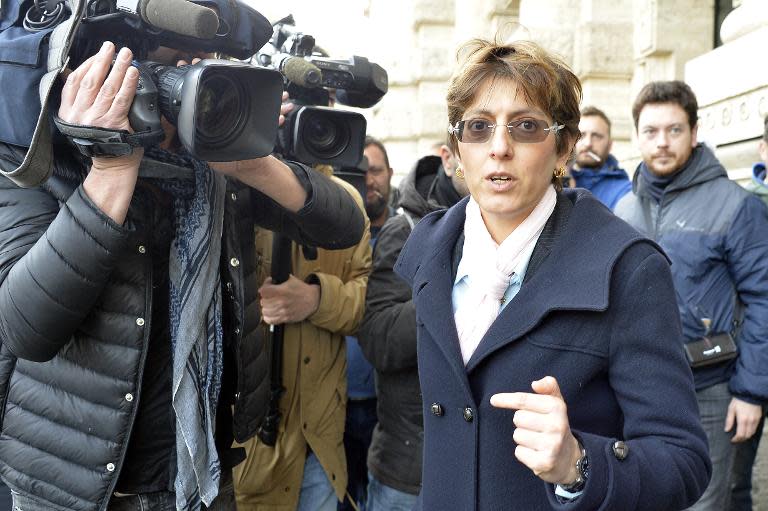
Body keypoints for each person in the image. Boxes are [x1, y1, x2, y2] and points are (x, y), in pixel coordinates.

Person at [0, 24, 364, 511]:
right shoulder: (37, 158)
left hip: (204, 476)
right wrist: (110, 170)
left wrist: (254, 162)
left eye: (208, 63)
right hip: (76, 489)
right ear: (121, 75)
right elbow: (27, 329)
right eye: (178, 67)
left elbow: (344, 226)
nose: (199, 83)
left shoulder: (217, 169)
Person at [394, 38, 711, 510]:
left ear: (564, 147)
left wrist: (578, 464)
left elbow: (683, 462)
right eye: (478, 127)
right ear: (457, 149)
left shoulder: (627, 266)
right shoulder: (430, 247)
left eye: (525, 127)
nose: (499, 148)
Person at [615, 80, 768, 511]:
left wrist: (751, 393)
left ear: (695, 132)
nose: (662, 142)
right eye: (651, 131)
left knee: (705, 504)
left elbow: (764, 300)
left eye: (675, 130)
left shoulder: (737, 206)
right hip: (638, 389)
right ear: (638, 136)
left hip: (713, 390)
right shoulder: (623, 211)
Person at [232, 166, 371, 511]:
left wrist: (317, 300)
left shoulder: (346, 203)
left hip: (320, 444)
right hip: (250, 451)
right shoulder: (234, 186)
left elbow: (370, 304)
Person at [357, 142, 468, 510]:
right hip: (410, 470)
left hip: (483, 466)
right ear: (448, 157)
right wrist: (457, 292)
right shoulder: (404, 229)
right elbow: (379, 337)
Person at [338, 136, 394, 511]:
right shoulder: (334, 234)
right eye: (360, 172)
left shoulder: (411, 234)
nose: (368, 179)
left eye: (375, 170)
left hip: (384, 404)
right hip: (337, 400)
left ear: (390, 174)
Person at [728, 115, 768, 511]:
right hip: (751, 362)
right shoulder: (741, 207)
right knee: (734, 483)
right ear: (763, 149)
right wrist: (750, 389)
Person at [569, 106, 631, 209]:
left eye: (596, 136)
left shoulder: (624, 191)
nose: (588, 143)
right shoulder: (558, 180)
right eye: (581, 135)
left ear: (610, 145)